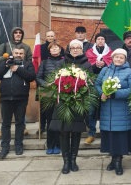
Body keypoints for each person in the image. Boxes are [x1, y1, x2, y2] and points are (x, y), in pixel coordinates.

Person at [48, 40, 93, 174]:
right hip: (63, 103)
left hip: (78, 103)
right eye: (72, 48)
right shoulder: (62, 62)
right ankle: (66, 161)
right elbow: (55, 80)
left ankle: (73, 160)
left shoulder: (86, 64)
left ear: (82, 50)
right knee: (64, 131)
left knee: (76, 131)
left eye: (78, 47)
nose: (75, 50)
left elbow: (91, 81)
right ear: (68, 50)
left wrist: (81, 90)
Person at [95, 48, 131, 176]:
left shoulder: (129, 72)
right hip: (107, 110)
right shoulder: (105, 70)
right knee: (110, 137)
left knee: (120, 137)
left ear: (125, 59)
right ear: (112, 58)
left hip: (122, 110)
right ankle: (112, 160)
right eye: (116, 57)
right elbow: (97, 84)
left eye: (121, 57)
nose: (118, 59)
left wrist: (114, 94)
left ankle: (118, 162)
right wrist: (101, 92)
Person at [0, 45, 36, 159]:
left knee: (20, 122)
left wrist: (18, 69)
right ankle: (5, 147)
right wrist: (6, 66)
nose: (18, 55)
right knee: (5, 123)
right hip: (5, 97)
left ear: (24, 55)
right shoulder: (4, 63)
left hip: (21, 98)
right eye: (16, 53)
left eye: (21, 53)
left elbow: (31, 77)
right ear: (13, 53)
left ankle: (18, 145)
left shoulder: (27, 64)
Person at [0, 27, 32, 136]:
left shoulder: (27, 47)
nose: (18, 34)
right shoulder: (4, 46)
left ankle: (23, 126)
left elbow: (29, 61)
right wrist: (7, 59)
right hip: (7, 79)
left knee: (21, 107)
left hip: (21, 78)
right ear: (12, 34)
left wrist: (20, 67)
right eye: (16, 32)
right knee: (6, 111)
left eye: (20, 33)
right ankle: (3, 128)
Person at [84, 33, 113, 145]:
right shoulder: (89, 52)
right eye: (98, 39)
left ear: (105, 41)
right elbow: (86, 66)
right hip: (92, 82)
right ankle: (91, 133)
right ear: (95, 41)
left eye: (102, 39)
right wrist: (95, 65)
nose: (100, 41)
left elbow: (112, 64)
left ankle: (104, 133)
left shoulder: (110, 52)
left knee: (105, 109)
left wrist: (104, 63)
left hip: (106, 83)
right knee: (91, 109)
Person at [36, 41, 64, 155]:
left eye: (56, 47)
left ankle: (58, 144)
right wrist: (45, 84)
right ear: (49, 50)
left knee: (58, 121)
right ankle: (50, 145)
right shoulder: (44, 62)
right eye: (52, 48)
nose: (54, 49)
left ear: (60, 49)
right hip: (48, 95)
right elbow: (38, 77)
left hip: (61, 94)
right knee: (49, 120)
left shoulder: (65, 61)